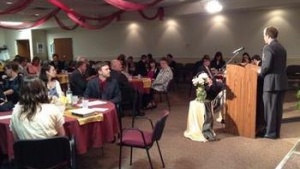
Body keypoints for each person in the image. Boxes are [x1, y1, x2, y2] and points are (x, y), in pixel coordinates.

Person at [258, 26, 288, 139]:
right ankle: (276, 132)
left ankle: (270, 133)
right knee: (278, 109)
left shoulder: (268, 48)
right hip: (282, 82)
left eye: (264, 35)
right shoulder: (282, 48)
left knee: (270, 109)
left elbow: (266, 67)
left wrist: (260, 73)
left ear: (267, 35)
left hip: (271, 84)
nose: (263, 37)